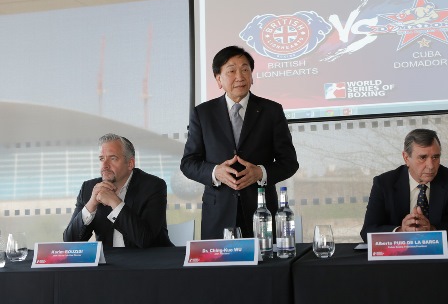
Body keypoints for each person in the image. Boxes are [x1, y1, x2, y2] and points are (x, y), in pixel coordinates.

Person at [180, 45, 299, 240]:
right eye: (231, 71)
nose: (240, 77)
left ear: (252, 76)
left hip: (261, 212)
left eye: (245, 70)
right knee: (220, 261)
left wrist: (261, 173)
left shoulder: (271, 111)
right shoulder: (203, 113)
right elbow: (188, 163)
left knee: (264, 260)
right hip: (218, 214)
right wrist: (215, 172)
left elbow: (289, 162)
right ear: (218, 79)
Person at [360, 129, 448, 242]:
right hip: (399, 252)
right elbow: (367, 231)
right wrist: (401, 231)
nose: (431, 166)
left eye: (435, 157)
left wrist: (431, 230)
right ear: (406, 158)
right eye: (422, 158)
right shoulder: (384, 183)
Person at [63, 133, 172, 248]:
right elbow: (70, 242)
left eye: (113, 158)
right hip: (110, 259)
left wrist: (115, 202)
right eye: (101, 159)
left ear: (130, 163)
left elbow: (145, 240)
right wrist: (91, 204)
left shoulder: (153, 186)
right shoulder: (89, 188)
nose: (105, 165)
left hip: (150, 258)